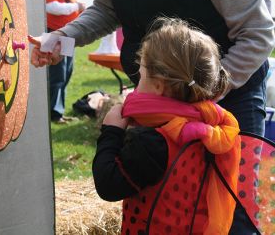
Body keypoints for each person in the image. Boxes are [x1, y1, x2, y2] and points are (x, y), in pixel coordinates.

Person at [28, 0, 274, 232]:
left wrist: (201, 94)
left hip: (228, 97)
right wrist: (62, 38)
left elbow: (257, 34)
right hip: (161, 99)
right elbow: (105, 9)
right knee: (162, 206)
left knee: (232, 211)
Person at [93, 17, 241, 234]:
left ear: (159, 85)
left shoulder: (153, 142)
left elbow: (108, 185)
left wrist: (112, 132)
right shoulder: (211, 125)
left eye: (141, 76)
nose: (136, 86)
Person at [44, 0, 85, 123]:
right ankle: (53, 114)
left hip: (66, 34)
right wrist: (77, 7)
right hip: (54, 32)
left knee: (66, 73)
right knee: (57, 74)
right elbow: (51, 7)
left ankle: (57, 112)